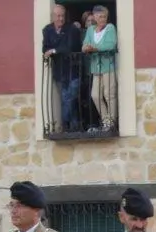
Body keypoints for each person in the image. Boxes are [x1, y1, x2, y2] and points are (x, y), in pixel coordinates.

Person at [42, 4, 84, 134]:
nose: (61, 18)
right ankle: (75, 126)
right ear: (53, 17)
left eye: (62, 16)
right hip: (59, 71)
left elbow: (70, 47)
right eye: (58, 16)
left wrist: (54, 50)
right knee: (68, 100)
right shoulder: (47, 30)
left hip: (73, 70)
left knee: (68, 98)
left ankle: (66, 127)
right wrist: (49, 51)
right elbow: (44, 48)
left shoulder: (72, 29)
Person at [82, 5, 118, 132]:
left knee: (109, 95)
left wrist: (95, 48)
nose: (103, 19)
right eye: (100, 16)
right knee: (95, 95)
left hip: (108, 66)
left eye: (105, 16)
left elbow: (111, 44)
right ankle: (106, 120)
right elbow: (85, 44)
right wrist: (86, 48)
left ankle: (111, 123)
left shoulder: (110, 28)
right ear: (95, 17)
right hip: (95, 68)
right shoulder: (91, 30)